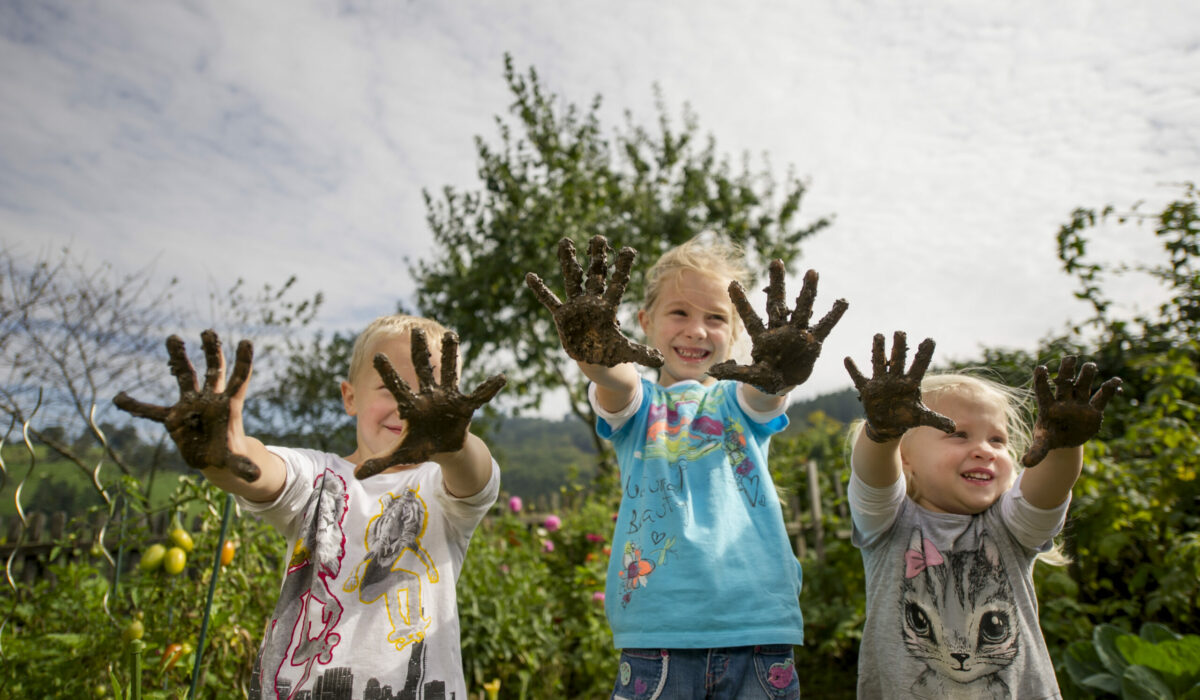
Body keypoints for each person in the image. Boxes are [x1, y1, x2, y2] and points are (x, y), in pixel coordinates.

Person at [114, 314, 506, 700]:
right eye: (391, 387)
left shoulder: (437, 486)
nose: (410, 406)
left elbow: (474, 476)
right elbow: (264, 472)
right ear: (350, 396)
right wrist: (224, 450)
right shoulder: (321, 478)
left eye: (428, 392)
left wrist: (454, 443)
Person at [526, 233, 848, 700]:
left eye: (716, 318)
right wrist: (592, 353)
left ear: (738, 332)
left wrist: (781, 370)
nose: (696, 330)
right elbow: (614, 381)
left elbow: (767, 393)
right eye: (679, 312)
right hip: (658, 640)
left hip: (756, 632)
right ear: (644, 321)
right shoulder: (640, 406)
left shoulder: (737, 401)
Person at [843, 332, 1121, 699]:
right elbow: (872, 478)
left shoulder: (1009, 527)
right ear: (904, 456)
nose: (984, 451)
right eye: (958, 435)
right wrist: (881, 432)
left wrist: (1064, 445)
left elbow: (1047, 492)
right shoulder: (889, 524)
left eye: (997, 440)